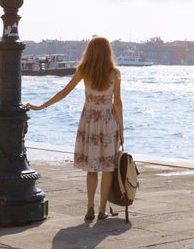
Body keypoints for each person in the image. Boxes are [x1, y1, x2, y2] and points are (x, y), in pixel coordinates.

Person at [23, 37, 124, 222]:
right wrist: (122, 131)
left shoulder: (84, 70)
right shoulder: (115, 72)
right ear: (108, 52)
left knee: (91, 169)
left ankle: (90, 208)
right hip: (109, 123)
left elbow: (64, 92)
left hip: (89, 121)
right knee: (107, 168)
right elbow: (117, 102)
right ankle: (102, 210)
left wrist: (41, 106)